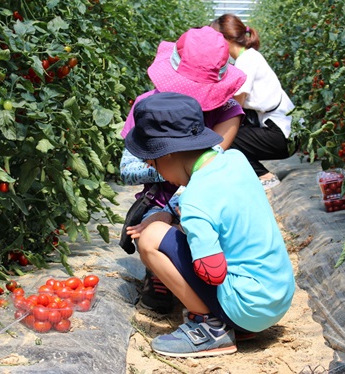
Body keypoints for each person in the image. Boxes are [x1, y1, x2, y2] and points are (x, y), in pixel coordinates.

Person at [124, 92, 295, 357]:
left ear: (168, 155)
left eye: (153, 164)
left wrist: (185, 232)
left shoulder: (195, 200)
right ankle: (230, 321)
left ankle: (209, 328)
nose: (157, 172)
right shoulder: (237, 160)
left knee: (150, 237)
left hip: (247, 308)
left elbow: (212, 273)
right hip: (277, 297)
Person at [120, 26, 246, 314]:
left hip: (205, 197)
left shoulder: (227, 111)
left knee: (205, 230)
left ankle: (218, 290)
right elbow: (127, 170)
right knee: (150, 230)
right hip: (159, 200)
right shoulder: (147, 107)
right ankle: (162, 278)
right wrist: (164, 172)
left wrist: (175, 208)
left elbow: (208, 170)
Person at [210, 14, 298, 189]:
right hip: (283, 132)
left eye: (214, 40)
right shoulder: (248, 58)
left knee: (224, 138)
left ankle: (264, 175)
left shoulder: (247, 62)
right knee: (226, 133)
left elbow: (235, 106)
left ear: (225, 39)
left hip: (282, 136)